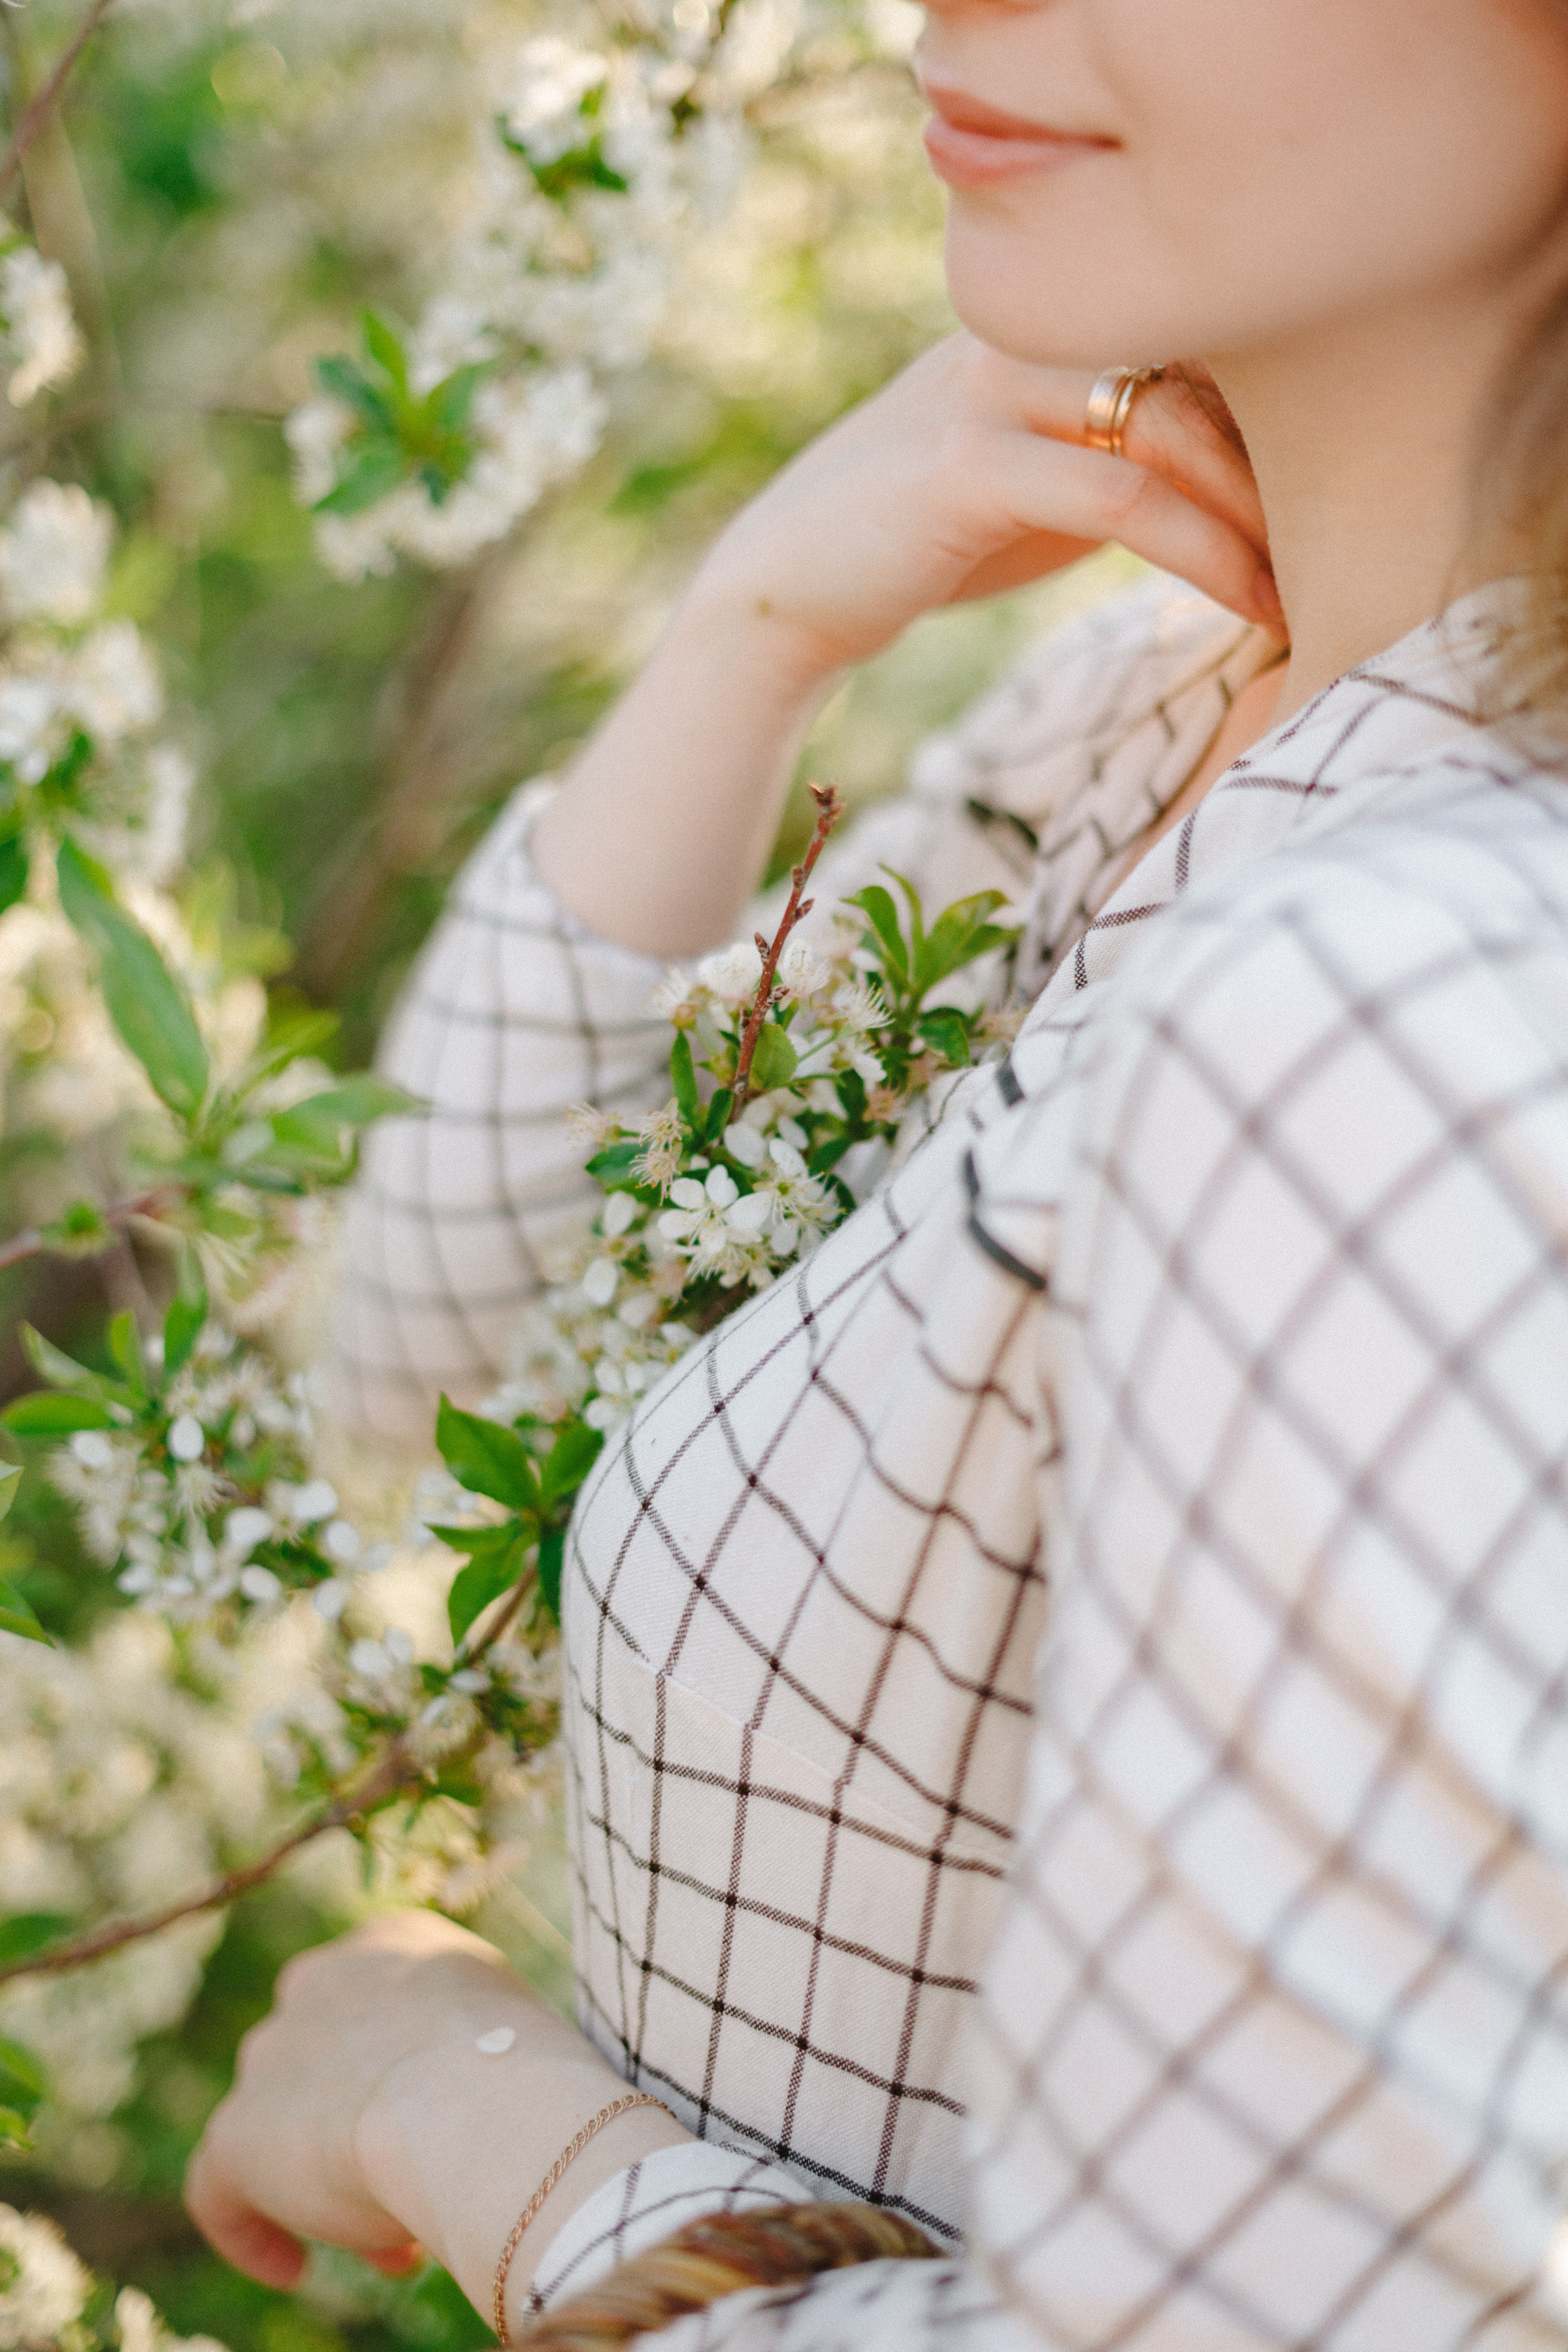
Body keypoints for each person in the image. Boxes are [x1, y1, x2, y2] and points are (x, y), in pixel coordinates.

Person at [186, 3, 1568, 2344]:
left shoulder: (1407, 1013)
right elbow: (424, 1396)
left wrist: (484, 2121)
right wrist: (758, 629)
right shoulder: (1145, 717)